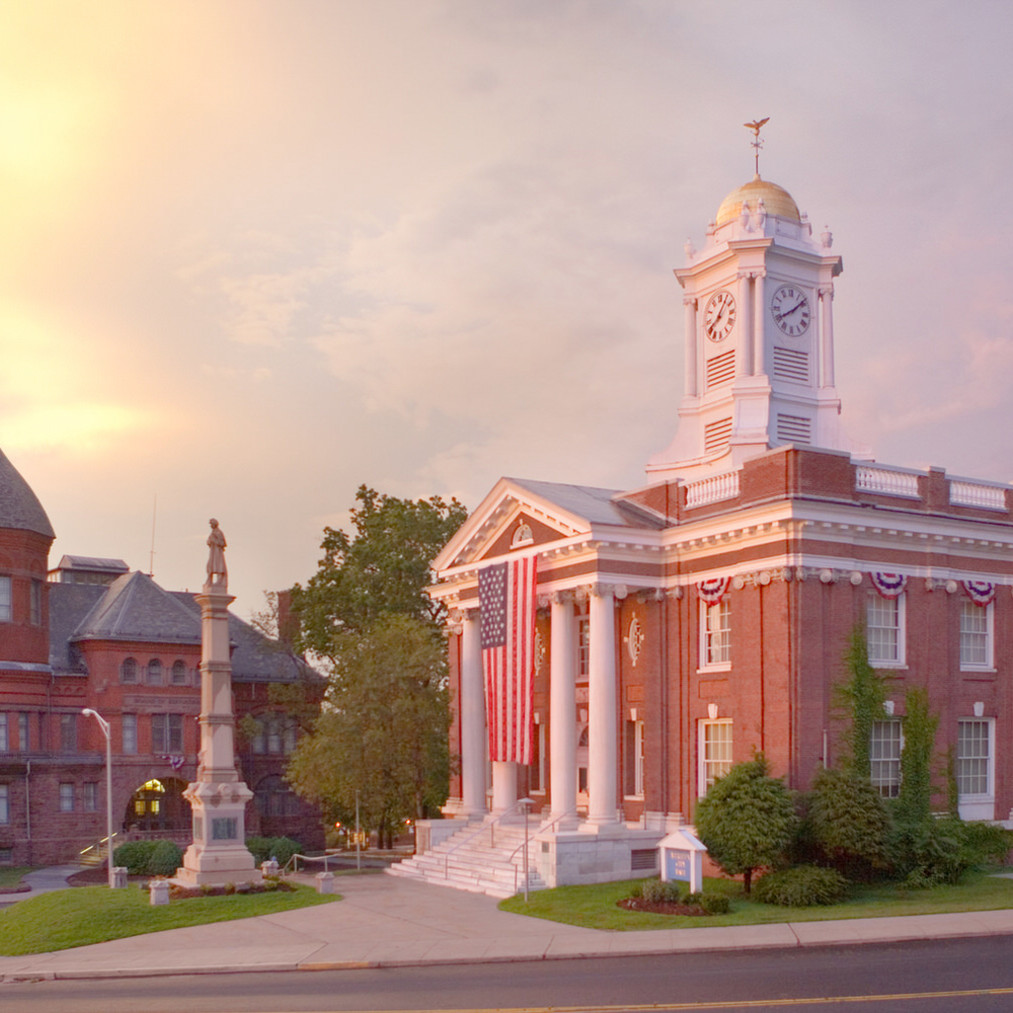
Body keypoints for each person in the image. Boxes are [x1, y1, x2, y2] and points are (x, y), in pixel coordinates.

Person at [206, 518, 227, 587]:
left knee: (218, 565)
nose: (210, 526)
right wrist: (210, 541)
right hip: (212, 552)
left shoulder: (219, 532)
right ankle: (209, 580)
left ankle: (219, 580)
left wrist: (215, 541)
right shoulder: (212, 533)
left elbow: (222, 543)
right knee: (210, 565)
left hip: (217, 552)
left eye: (211, 524)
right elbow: (208, 541)